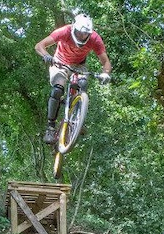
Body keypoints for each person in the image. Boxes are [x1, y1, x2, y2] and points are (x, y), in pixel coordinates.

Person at [35, 14, 112, 144]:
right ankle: (50, 128)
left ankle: (77, 117)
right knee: (58, 89)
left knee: (83, 83)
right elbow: (39, 45)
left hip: (79, 65)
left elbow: (106, 62)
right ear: (73, 28)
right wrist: (47, 56)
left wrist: (106, 73)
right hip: (60, 62)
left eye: (84, 34)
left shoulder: (95, 38)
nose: (82, 36)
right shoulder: (64, 31)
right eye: (79, 33)